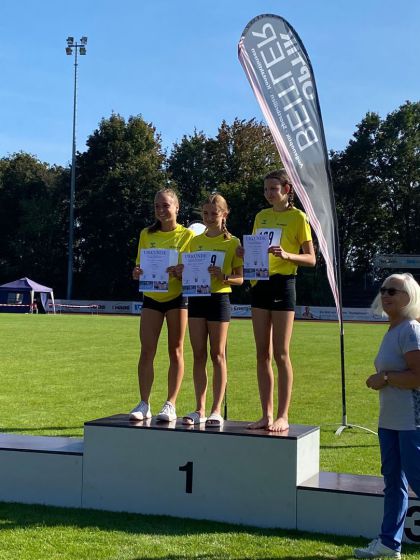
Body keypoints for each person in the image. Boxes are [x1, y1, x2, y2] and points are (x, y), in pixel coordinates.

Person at [354, 273, 420, 559]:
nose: (385, 295)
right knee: (393, 484)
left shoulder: (411, 330)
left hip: (410, 422)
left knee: (417, 479)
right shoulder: (394, 329)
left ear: (409, 297)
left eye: (393, 291)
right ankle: (389, 543)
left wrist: (384, 377)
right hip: (389, 421)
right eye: (383, 289)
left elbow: (417, 376)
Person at [247, 169, 316, 432]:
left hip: (284, 284)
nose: (269, 193)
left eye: (273, 189)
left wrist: (288, 255)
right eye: (266, 189)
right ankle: (266, 414)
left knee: (281, 353)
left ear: (287, 190)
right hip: (260, 285)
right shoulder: (260, 216)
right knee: (261, 353)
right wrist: (245, 253)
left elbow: (311, 259)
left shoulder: (298, 218)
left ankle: (283, 415)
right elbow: (256, 252)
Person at [130, 188, 194, 423]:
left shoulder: (188, 235)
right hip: (151, 297)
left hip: (178, 298)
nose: (161, 210)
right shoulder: (146, 234)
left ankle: (170, 404)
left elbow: (193, 267)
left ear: (177, 207)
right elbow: (140, 264)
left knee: (175, 350)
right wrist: (137, 272)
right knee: (147, 350)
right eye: (157, 206)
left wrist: (182, 270)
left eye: (166, 205)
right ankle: (144, 403)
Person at [182, 194, 243, 427]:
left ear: (224, 214)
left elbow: (240, 278)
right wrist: (182, 270)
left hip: (219, 300)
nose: (208, 217)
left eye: (214, 213)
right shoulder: (194, 241)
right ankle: (199, 409)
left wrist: (224, 276)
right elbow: (189, 269)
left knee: (217, 355)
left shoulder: (233, 242)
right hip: (197, 299)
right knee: (198, 355)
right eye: (205, 213)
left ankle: (216, 410)